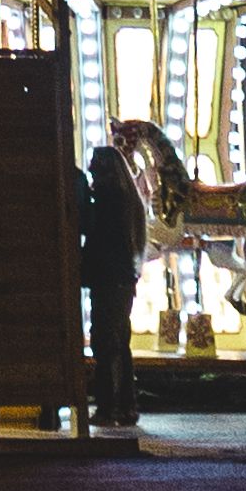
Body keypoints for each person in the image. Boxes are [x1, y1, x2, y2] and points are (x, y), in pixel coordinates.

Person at [78, 132, 143, 429]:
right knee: (120, 343)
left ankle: (107, 406)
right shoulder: (127, 200)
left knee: (105, 343)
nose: (90, 170)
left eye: (94, 165)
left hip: (107, 279)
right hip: (122, 279)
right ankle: (126, 405)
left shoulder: (106, 200)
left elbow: (94, 236)